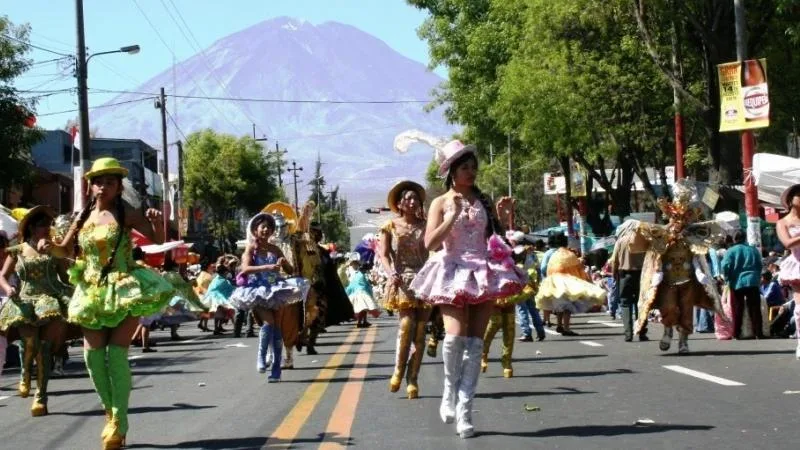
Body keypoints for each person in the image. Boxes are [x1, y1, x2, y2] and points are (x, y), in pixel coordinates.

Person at [47, 157, 174, 448]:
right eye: (98, 181)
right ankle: (110, 413)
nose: (102, 186)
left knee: (116, 355)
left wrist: (156, 223)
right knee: (93, 358)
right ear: (90, 186)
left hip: (124, 286)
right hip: (91, 290)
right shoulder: (81, 217)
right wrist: (49, 246)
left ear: (118, 187)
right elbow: (64, 250)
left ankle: (120, 420)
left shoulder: (126, 212)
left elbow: (153, 245)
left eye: (109, 182)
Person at [410, 140, 526, 438]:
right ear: (451, 171)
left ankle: (465, 411)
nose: (471, 172)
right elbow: (431, 244)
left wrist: (506, 216)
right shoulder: (440, 202)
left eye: (474, 167)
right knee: (454, 338)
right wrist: (452, 216)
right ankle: (449, 390)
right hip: (452, 270)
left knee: (475, 345)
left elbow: (499, 240)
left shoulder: (483, 200)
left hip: (483, 271)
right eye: (465, 167)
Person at [632, 182, 724, 354]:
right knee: (668, 307)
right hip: (668, 280)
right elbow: (656, 256)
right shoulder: (662, 235)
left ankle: (683, 340)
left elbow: (697, 255)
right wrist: (657, 272)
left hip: (688, 279)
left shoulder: (691, 236)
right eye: (676, 218)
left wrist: (698, 271)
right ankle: (667, 330)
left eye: (682, 219)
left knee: (686, 310)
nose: (678, 223)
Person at [0, 206, 73, 416]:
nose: (47, 229)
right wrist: (8, 288)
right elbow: (2, 275)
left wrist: (78, 281)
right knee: (30, 343)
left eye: (49, 225)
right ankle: (25, 373)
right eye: (43, 225)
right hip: (24, 301)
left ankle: (40, 396)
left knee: (44, 349)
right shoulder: (18, 250)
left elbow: (65, 277)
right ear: (32, 227)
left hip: (50, 299)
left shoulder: (55, 250)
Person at [228, 213, 308, 382]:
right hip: (257, 291)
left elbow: (289, 270)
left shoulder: (275, 248)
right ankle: (261, 357)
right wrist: (267, 266)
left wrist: (284, 264)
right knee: (268, 323)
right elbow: (245, 269)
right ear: (256, 229)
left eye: (269, 227)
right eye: (263, 227)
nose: (266, 230)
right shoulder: (250, 248)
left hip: (275, 290)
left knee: (278, 328)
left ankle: (276, 369)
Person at [378, 180, 429, 398]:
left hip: (425, 279)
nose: (412, 202)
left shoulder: (427, 225)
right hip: (402, 281)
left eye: (415, 199)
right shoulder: (390, 226)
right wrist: (391, 273)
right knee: (407, 325)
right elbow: (383, 253)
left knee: (420, 331)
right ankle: (399, 368)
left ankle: (413, 378)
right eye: (408, 198)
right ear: (399, 203)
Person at [535, 233, 607, 335]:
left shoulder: (554, 254)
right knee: (567, 307)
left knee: (559, 305)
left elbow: (547, 269)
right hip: (567, 282)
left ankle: (559, 325)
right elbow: (578, 269)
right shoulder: (569, 254)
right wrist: (584, 280)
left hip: (553, 282)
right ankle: (566, 328)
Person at [610, 219, 649, 342]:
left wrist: (614, 274)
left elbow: (614, 260)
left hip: (624, 275)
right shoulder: (643, 241)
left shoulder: (620, 241)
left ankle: (628, 333)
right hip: (641, 275)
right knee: (641, 303)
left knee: (625, 303)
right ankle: (641, 331)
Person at [721, 231, 764, 339]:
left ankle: (736, 333)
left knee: (737, 308)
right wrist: (757, 277)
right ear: (745, 238)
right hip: (753, 280)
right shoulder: (753, 250)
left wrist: (727, 279)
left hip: (736, 282)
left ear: (734, 239)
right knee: (755, 308)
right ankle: (758, 332)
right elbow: (760, 265)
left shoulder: (730, 251)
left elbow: (725, 266)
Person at [776, 183, 800, 359]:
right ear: (791, 200)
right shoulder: (782, 222)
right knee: (799, 307)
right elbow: (787, 243)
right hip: (797, 264)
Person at [345, 261, 380, 328]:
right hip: (362, 293)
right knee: (363, 308)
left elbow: (351, 286)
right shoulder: (362, 275)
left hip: (356, 293)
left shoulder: (356, 275)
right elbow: (368, 284)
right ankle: (360, 322)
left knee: (363, 308)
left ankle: (363, 321)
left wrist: (348, 293)